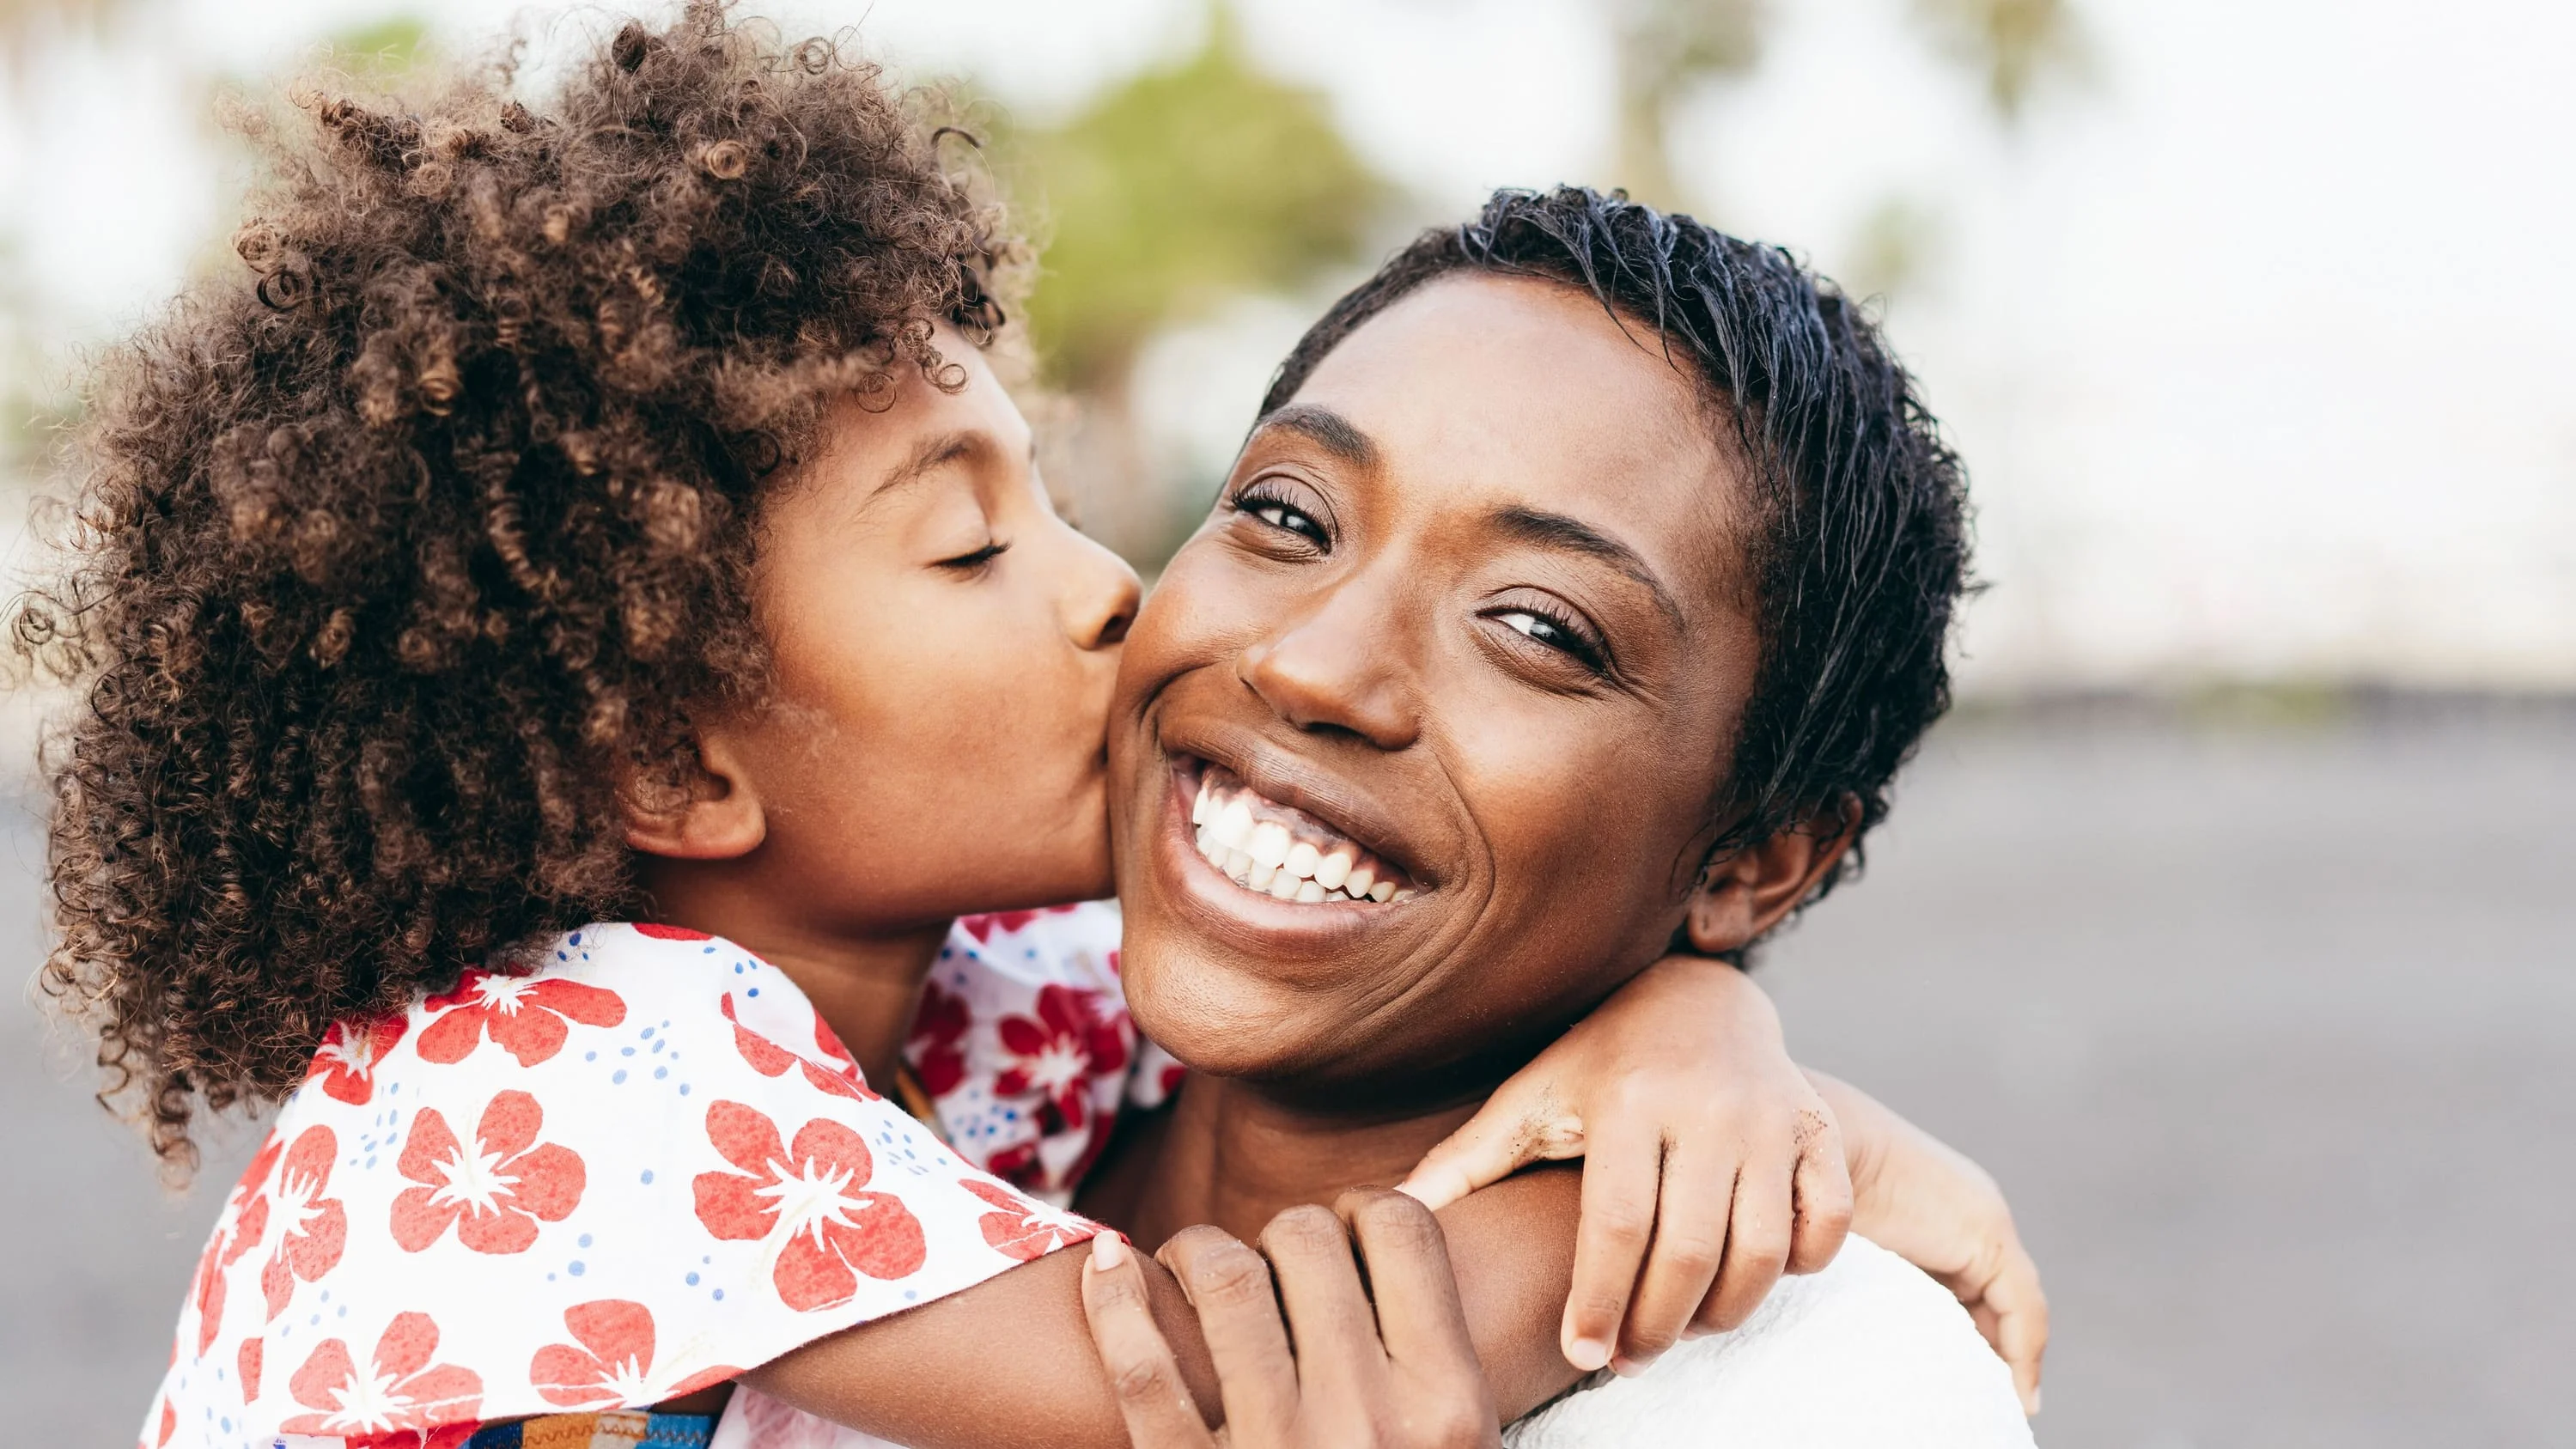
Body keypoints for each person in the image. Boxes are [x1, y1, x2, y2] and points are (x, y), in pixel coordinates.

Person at [18, 5, 2031, 1443]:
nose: (1116, 591)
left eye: (1534, 622)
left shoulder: (987, 1006)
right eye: (972, 550)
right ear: (671, 771)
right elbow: (1184, 1369)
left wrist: (1709, 1028)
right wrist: (1774, 1171)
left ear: (1758, 850)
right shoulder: (549, 1076)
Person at [1053, 187, 2037, 1446]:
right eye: (1288, 514)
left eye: (1536, 626)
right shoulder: (927, 1075)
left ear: (1758, 859)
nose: (1312, 666)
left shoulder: (1829, 1398)